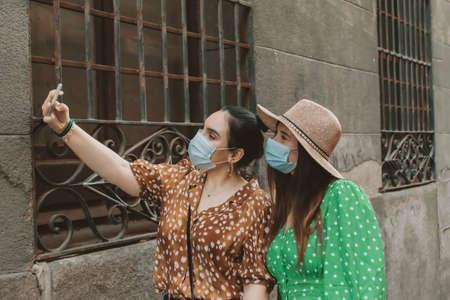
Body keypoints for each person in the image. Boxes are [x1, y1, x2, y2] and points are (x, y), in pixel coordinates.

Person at [41, 89, 274, 300]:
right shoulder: (179, 179)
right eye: (202, 129)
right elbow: (121, 169)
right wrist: (67, 129)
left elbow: (255, 282)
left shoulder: (255, 205)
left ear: (234, 155)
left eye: (212, 136)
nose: (199, 138)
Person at [258, 99, 386, 299]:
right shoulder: (287, 202)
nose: (273, 142)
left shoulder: (342, 195)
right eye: (275, 134)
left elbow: (366, 280)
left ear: (306, 152)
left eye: (284, 137)